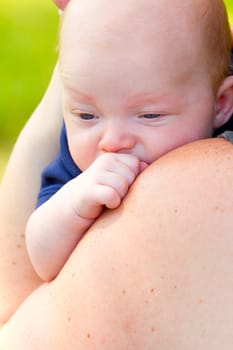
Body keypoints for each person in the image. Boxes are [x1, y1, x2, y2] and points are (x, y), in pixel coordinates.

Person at [1, 0, 233, 348]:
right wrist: (74, 206)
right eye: (86, 116)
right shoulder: (81, 167)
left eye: (150, 116)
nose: (112, 141)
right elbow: (41, 260)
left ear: (221, 105)